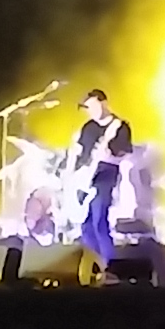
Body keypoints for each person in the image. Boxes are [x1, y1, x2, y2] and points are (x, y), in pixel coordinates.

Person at [67, 89, 136, 271]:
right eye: (87, 108)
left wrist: (110, 153)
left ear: (103, 103)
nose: (90, 111)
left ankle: (110, 268)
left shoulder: (119, 127)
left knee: (99, 220)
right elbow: (80, 153)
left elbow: (125, 152)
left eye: (92, 106)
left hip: (105, 175)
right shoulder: (88, 127)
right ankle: (93, 267)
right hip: (85, 178)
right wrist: (73, 174)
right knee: (85, 224)